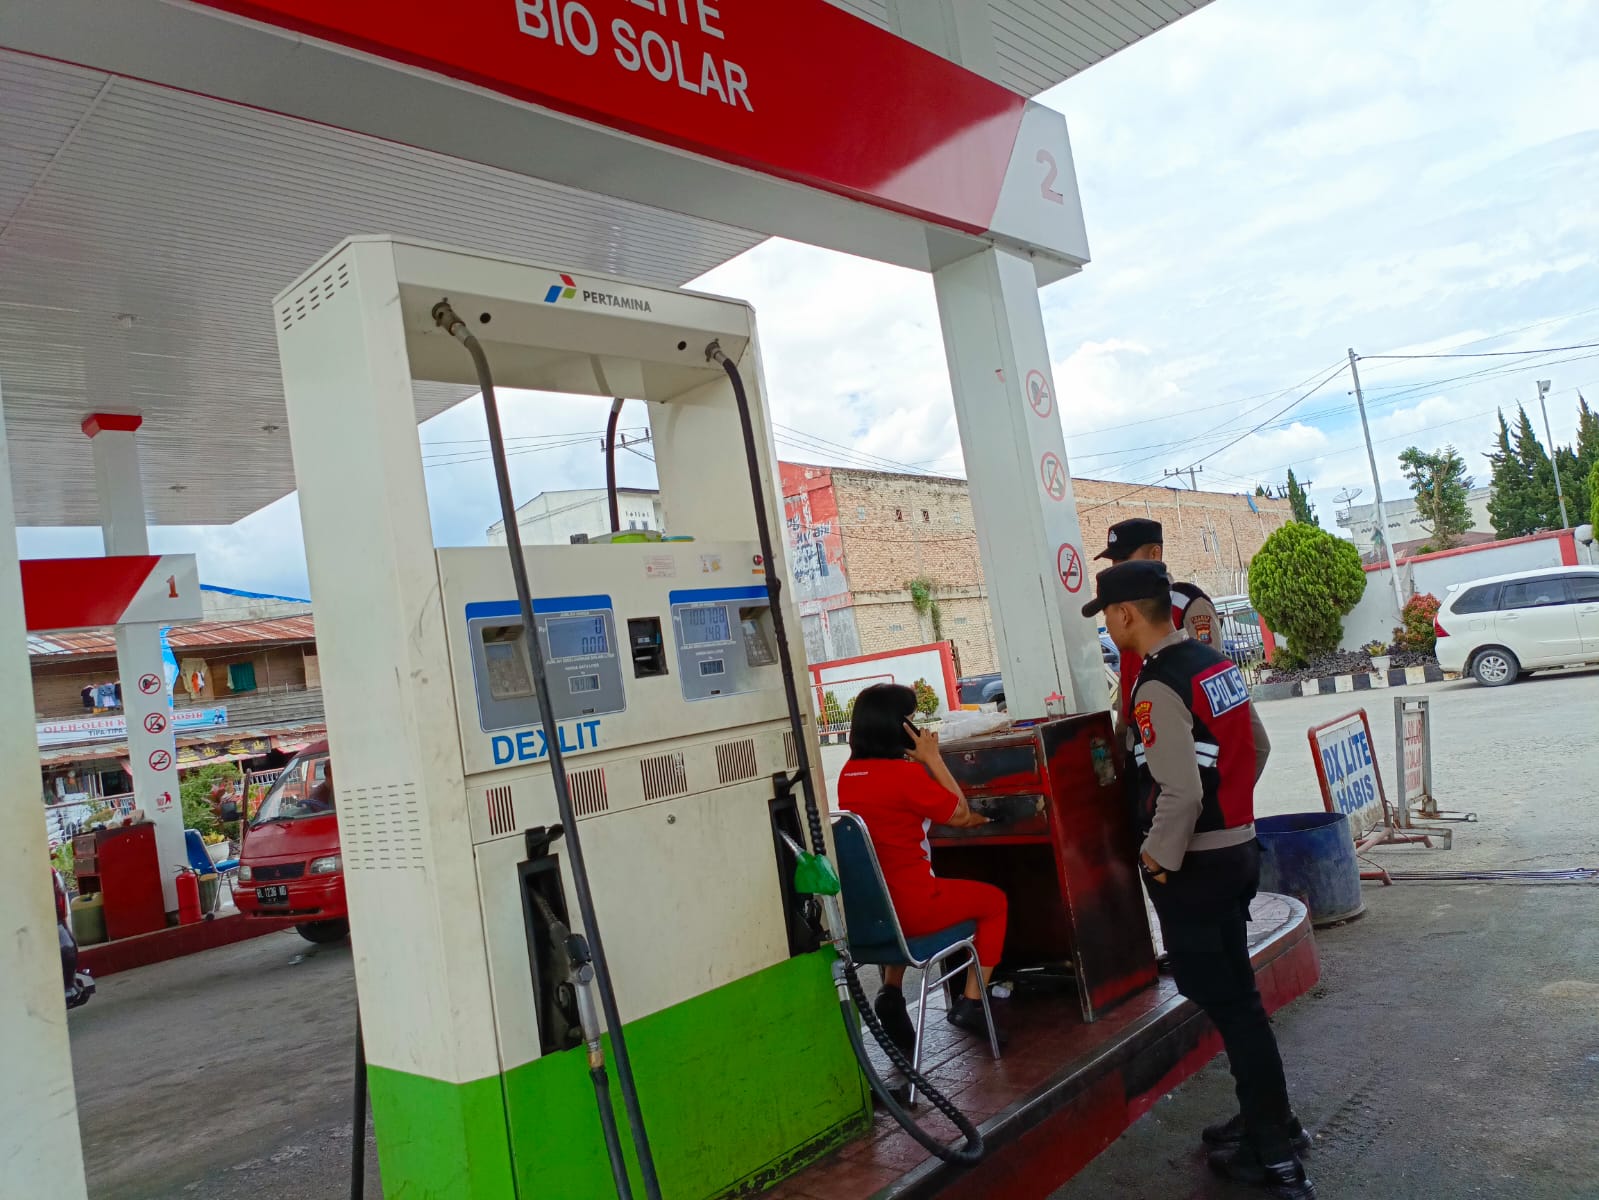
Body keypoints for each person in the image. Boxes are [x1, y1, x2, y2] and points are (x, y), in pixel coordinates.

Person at [1084, 561, 1315, 1200]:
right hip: (1236, 852)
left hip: (1196, 867)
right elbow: (1256, 749)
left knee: (1233, 1006)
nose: (1108, 626)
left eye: (1107, 615)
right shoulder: (1215, 664)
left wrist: (1156, 859)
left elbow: (1180, 793)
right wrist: (1228, 814)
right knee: (1238, 996)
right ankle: (1270, 1120)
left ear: (1125, 613)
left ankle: (1273, 1154)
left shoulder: (1157, 686)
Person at [836, 683, 1009, 1053]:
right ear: (900, 727)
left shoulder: (848, 774)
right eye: (912, 721)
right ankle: (972, 1003)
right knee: (994, 902)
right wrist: (933, 758)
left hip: (876, 915)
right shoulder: (905, 776)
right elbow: (960, 814)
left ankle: (891, 990)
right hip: (916, 911)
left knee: (898, 889)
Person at [1095, 517, 1220, 733]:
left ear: (1154, 554)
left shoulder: (1187, 603)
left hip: (1179, 731)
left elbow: (1209, 677)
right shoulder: (1124, 611)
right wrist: (1121, 733)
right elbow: (1128, 678)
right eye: (1113, 561)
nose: (1116, 567)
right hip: (1139, 733)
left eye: (1124, 558)